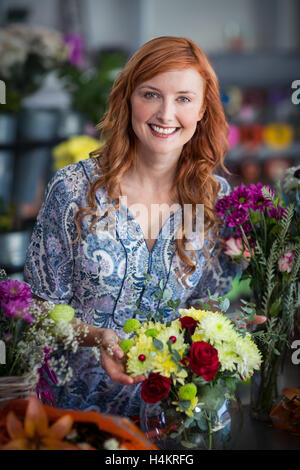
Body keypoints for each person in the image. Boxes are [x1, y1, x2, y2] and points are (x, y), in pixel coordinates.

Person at [24, 36, 244, 416]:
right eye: (151, 94)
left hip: (173, 416)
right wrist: (97, 337)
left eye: (184, 99)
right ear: (128, 98)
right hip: (74, 414)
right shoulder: (75, 188)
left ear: (203, 109)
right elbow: (37, 310)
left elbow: (209, 309)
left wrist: (241, 320)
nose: (165, 114)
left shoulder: (214, 198)